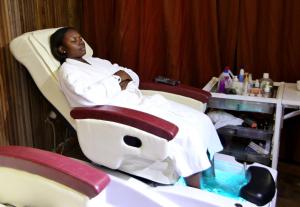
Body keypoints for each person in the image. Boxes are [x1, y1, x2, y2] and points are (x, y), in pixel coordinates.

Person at [50, 27, 223, 189]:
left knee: (200, 119)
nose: (81, 42)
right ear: (62, 50)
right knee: (185, 134)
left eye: (80, 38)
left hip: (141, 102)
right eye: (74, 40)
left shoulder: (96, 62)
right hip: (123, 114)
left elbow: (131, 74)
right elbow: (91, 98)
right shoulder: (68, 72)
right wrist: (118, 80)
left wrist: (118, 80)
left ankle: (210, 180)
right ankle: (196, 193)